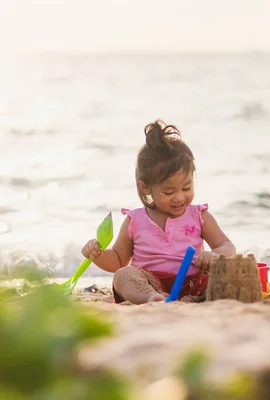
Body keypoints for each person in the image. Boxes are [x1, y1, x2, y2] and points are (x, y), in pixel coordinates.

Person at [81, 120, 236, 304]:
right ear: (145, 188)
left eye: (186, 187)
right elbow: (118, 261)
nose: (179, 197)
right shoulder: (135, 220)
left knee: (229, 275)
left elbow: (227, 246)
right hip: (150, 282)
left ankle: (196, 298)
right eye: (168, 192)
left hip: (195, 282)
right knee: (123, 275)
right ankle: (151, 299)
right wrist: (98, 255)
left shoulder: (199, 216)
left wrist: (214, 254)